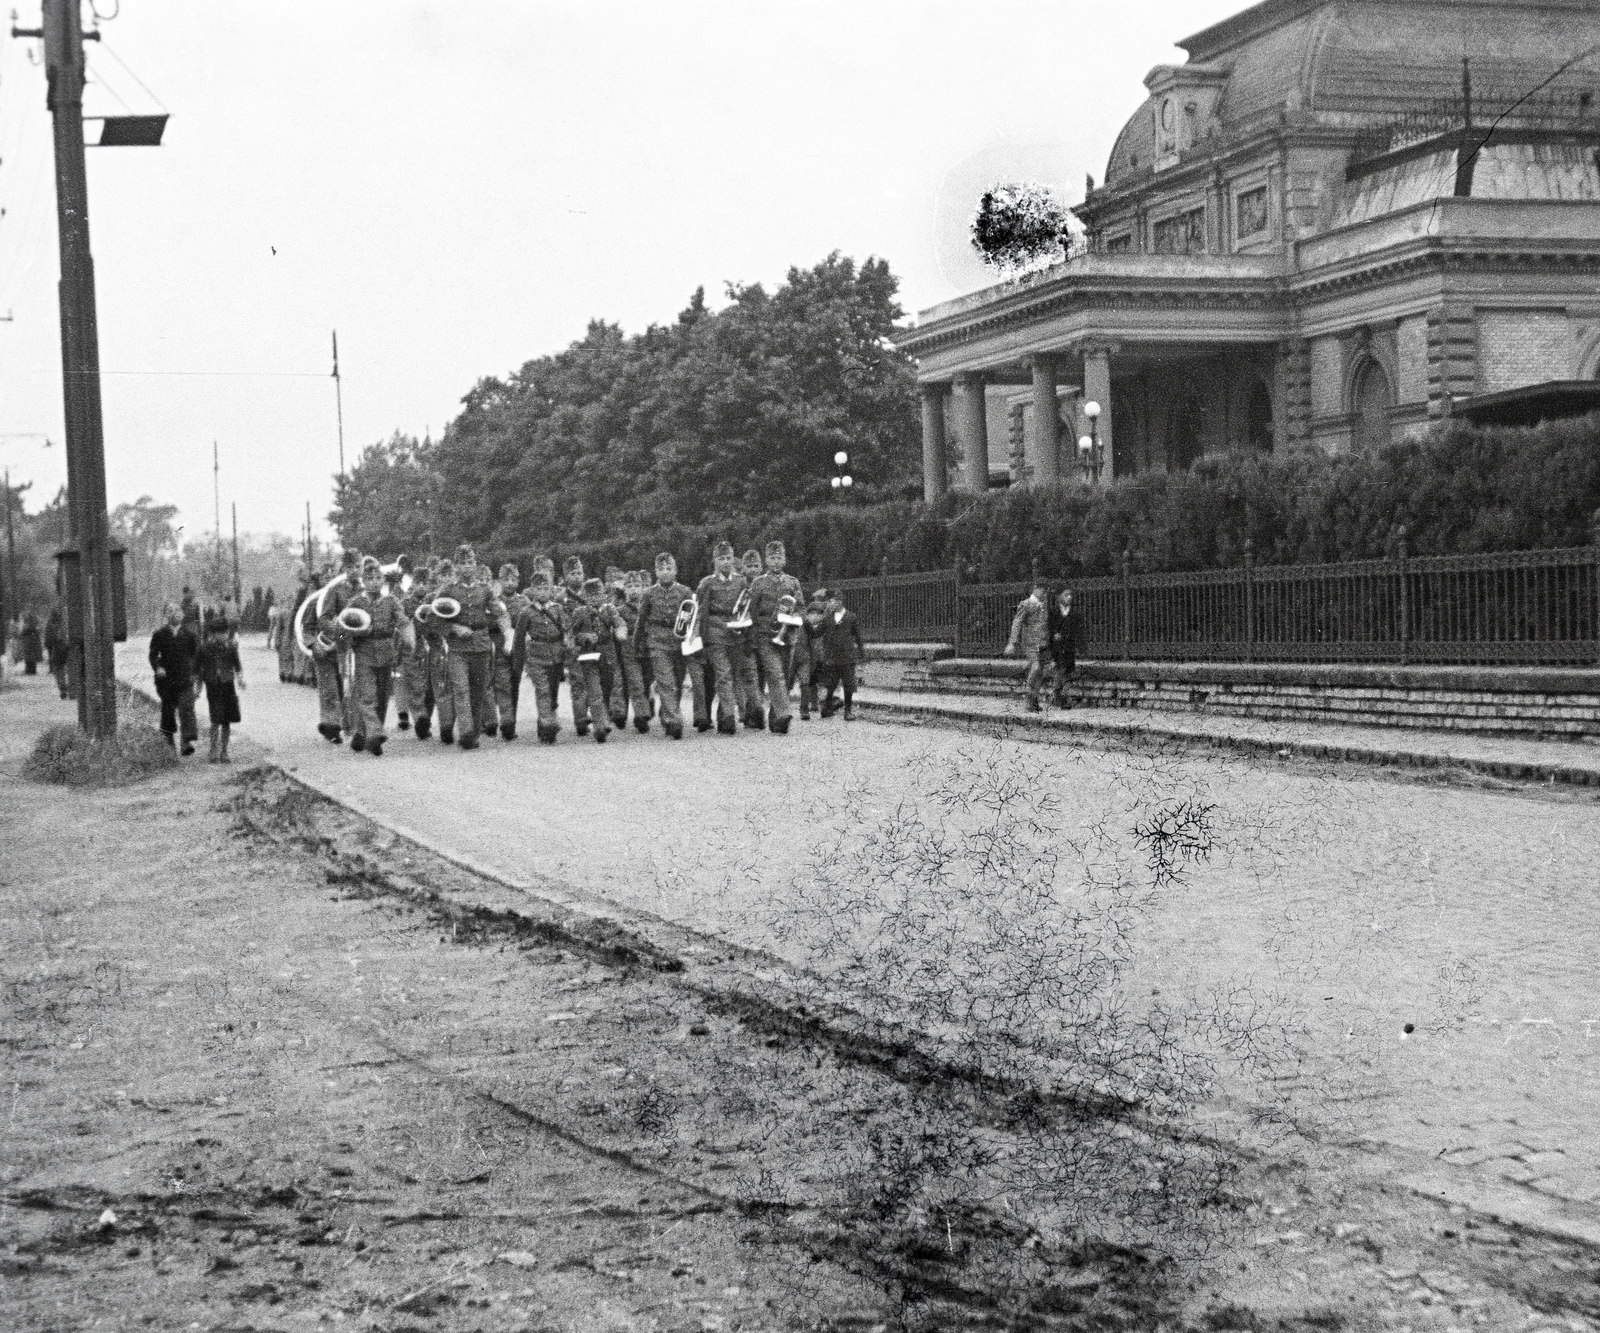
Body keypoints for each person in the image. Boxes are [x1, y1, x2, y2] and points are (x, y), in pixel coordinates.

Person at [434, 545, 505, 752]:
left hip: (482, 645)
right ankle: (465, 732)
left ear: (476, 564)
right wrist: (454, 627)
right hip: (458, 648)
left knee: (478, 691)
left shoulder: (485, 589)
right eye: (462, 563)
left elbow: (498, 613)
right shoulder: (448, 590)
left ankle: (472, 733)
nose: (467, 567)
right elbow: (434, 619)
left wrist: (504, 630)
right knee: (461, 689)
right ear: (456, 566)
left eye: (470, 562)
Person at [339, 556, 402, 756]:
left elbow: (402, 621)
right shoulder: (356, 601)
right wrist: (352, 635)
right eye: (370, 578)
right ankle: (375, 733)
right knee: (368, 696)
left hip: (386, 652)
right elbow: (342, 624)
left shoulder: (391, 601)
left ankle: (362, 734)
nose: (374, 581)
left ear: (382, 580)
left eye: (378, 578)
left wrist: (409, 637)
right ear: (364, 582)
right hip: (364, 652)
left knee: (382, 697)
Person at [695, 542, 753, 736]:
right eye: (721, 559)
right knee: (723, 673)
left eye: (728, 558)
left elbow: (745, 609)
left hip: (735, 633)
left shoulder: (741, 581)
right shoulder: (707, 583)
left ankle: (723, 715)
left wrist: (744, 631)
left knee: (733, 674)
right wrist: (701, 638)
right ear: (714, 561)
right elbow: (701, 612)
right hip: (715, 632)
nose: (725, 562)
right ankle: (729, 716)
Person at [634, 553, 695, 740]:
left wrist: (692, 639)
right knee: (665, 682)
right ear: (656, 572)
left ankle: (667, 713)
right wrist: (638, 643)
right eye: (661, 569)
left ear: (675, 571)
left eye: (669, 569)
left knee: (676, 681)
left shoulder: (685, 592)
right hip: (657, 642)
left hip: (679, 641)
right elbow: (641, 620)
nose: (665, 572)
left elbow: (692, 617)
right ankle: (674, 719)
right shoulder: (649, 593)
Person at [748, 540, 803, 735]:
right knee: (775, 674)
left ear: (785, 559)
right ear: (766, 560)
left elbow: (801, 608)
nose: (776, 561)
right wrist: (753, 641)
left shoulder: (792, 582)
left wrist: (795, 617)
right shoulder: (758, 582)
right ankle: (784, 713)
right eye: (772, 558)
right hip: (765, 636)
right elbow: (751, 612)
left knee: (785, 678)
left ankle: (776, 718)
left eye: (779, 557)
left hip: (787, 636)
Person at [515, 572, 569, 743]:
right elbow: (519, 639)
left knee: (552, 692)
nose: (543, 592)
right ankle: (548, 723)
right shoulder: (527, 612)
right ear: (532, 591)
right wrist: (518, 664)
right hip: (536, 657)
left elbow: (567, 630)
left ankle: (545, 724)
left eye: (546, 588)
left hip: (556, 656)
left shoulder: (558, 610)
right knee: (543, 690)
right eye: (539, 589)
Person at [312, 550, 360, 742]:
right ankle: (332, 728)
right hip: (336, 645)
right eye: (351, 567)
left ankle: (352, 725)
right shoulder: (335, 590)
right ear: (345, 568)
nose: (355, 570)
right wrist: (341, 633)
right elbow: (323, 619)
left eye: (358, 566)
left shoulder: (366, 590)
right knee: (332, 690)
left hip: (357, 646)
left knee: (352, 688)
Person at [148, 601, 200, 754]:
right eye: (170, 611)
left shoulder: (190, 635)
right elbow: (153, 655)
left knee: (187, 709)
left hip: (185, 679)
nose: (174, 613)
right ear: (166, 615)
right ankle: (168, 741)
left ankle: (186, 741)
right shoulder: (160, 634)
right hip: (166, 681)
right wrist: (158, 667)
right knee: (168, 711)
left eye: (177, 610)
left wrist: (196, 675)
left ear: (182, 614)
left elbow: (196, 656)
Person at [565, 578, 613, 742]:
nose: (594, 598)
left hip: (607, 656)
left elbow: (619, 623)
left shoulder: (609, 610)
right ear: (585, 596)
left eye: (597, 594)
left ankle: (604, 718)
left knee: (607, 688)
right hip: (588, 657)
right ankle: (599, 726)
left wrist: (621, 630)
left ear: (604, 594)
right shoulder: (579, 612)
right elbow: (572, 634)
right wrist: (581, 639)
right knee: (595, 691)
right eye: (590, 594)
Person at [197, 609, 244, 763]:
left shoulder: (231, 647)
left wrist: (240, 679)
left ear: (227, 632)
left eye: (224, 632)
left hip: (228, 685)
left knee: (227, 720)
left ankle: (224, 751)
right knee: (215, 719)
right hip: (213, 686)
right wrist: (198, 687)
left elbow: (237, 665)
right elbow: (198, 669)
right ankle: (212, 750)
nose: (221, 636)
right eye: (218, 633)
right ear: (212, 634)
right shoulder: (204, 648)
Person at [1004, 578, 1051, 712]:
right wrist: (1013, 642)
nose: (1045, 593)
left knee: (1041, 672)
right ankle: (1028, 697)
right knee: (1036, 668)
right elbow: (1017, 622)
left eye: (1046, 590)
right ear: (1035, 590)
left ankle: (1034, 700)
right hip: (1030, 644)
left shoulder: (1044, 605)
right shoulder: (1026, 604)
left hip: (1043, 643)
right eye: (1042, 589)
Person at [817, 590, 864, 720]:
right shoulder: (827, 618)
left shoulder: (851, 617)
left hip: (847, 657)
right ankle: (826, 708)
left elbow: (858, 636)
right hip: (832, 657)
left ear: (839, 601)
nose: (828, 604)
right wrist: (806, 624)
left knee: (849, 684)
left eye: (830, 601)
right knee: (831, 684)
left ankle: (848, 711)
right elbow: (817, 632)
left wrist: (861, 652)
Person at [1047, 586, 1077, 708]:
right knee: (1060, 670)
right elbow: (1049, 627)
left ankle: (1065, 698)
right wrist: (1054, 634)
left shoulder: (1073, 612)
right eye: (1066, 595)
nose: (1069, 597)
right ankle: (1057, 697)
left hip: (1069, 646)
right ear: (1060, 597)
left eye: (1071, 595)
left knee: (1068, 672)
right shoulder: (1054, 611)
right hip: (1057, 646)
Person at [44, 604, 70, 698]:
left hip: (56, 649)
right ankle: (68, 686)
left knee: (58, 669)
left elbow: (48, 638)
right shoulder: (65, 623)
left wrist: (48, 646)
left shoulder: (50, 624)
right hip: (67, 648)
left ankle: (62, 687)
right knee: (66, 668)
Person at [18, 611, 42, 675]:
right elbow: (38, 633)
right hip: (33, 642)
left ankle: (28, 670)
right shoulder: (35, 626)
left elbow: (22, 633)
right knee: (33, 657)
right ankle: (33, 670)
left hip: (27, 642)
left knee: (28, 657)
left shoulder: (26, 625)